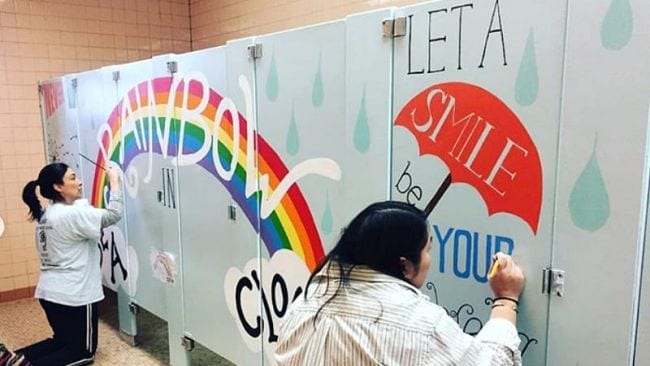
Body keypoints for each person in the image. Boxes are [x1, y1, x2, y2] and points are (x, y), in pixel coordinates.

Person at [275, 201, 525, 365]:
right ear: (404, 265)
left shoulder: (307, 302)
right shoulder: (423, 325)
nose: (429, 259)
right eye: (428, 249)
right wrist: (505, 299)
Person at [8, 162, 122, 366]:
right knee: (82, 353)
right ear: (58, 187)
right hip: (75, 295)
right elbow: (113, 215)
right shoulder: (73, 214)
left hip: (50, 293)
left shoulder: (48, 214)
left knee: (62, 342)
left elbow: (79, 213)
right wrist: (114, 182)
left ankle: (10, 359)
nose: (79, 182)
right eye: (72, 178)